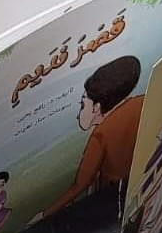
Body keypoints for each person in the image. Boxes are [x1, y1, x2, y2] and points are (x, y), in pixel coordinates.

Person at [29, 56, 144, 223]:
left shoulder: (100, 135)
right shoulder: (140, 102)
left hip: (115, 199)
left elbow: (80, 185)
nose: (79, 115)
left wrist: (43, 215)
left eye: (82, 105)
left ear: (97, 107)